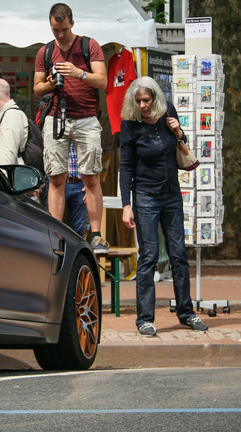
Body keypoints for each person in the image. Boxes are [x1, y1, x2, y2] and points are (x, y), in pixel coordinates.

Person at [119, 76, 208, 337]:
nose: (143, 106)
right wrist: (127, 204)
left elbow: (181, 145)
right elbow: (126, 167)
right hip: (145, 195)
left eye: (147, 100)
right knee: (148, 257)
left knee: (179, 254)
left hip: (171, 194)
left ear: (156, 98)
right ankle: (145, 318)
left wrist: (179, 131)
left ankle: (186, 312)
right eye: (138, 102)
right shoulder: (130, 124)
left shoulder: (167, 109)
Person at [33, 3, 108, 253]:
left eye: (64, 29)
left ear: (72, 24)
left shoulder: (89, 45)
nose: (60, 35)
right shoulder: (45, 51)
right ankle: (55, 232)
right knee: (55, 176)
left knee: (91, 176)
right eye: (55, 30)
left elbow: (103, 81)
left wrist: (79, 73)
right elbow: (37, 88)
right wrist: (52, 83)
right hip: (56, 117)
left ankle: (96, 235)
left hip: (86, 117)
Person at [0, 78, 28, 166]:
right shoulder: (4, 115)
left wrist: (2, 178)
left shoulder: (11, 115)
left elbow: (8, 155)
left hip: (5, 177)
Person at [45, 144, 87, 237]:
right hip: (56, 183)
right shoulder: (51, 130)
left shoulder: (83, 131)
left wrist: (90, 184)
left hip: (79, 182)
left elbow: (91, 154)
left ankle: (76, 251)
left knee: (78, 230)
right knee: (54, 228)